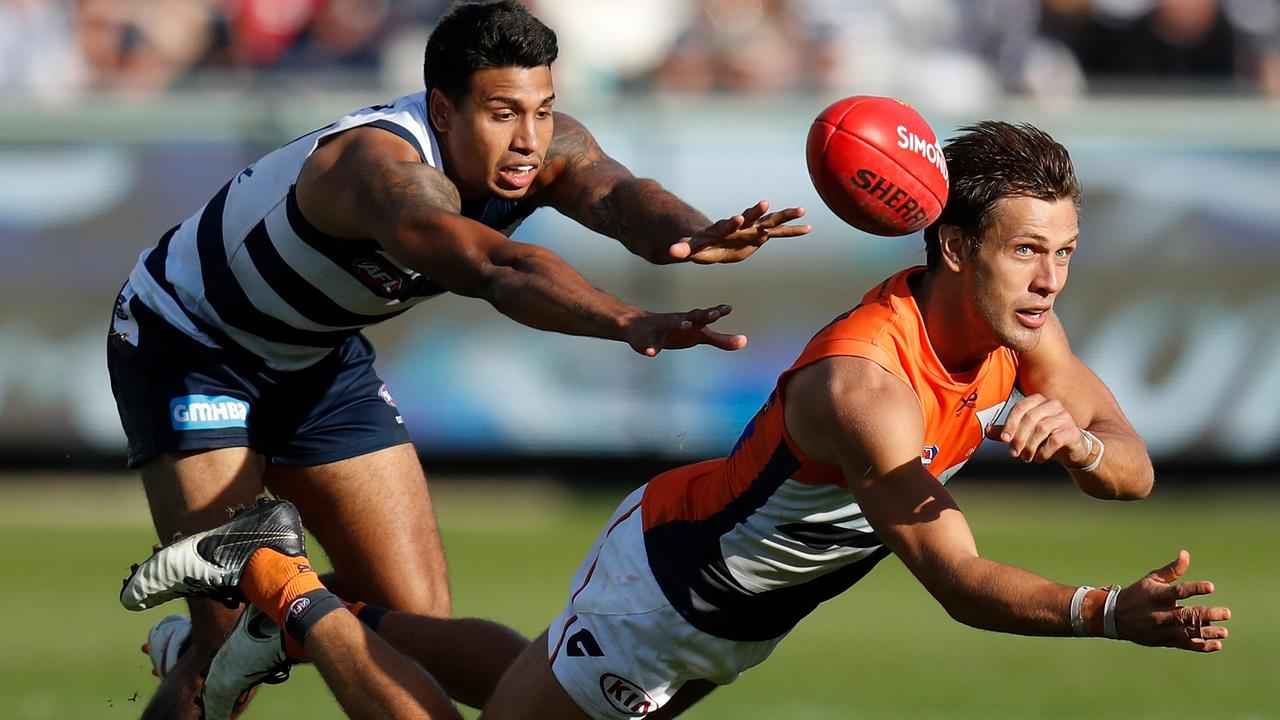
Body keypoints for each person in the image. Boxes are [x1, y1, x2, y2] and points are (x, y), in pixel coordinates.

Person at [120, 120, 1231, 720]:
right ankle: (282, 584)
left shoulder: (1021, 331)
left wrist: (1081, 444)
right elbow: (958, 583)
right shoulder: (862, 386)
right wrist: (1103, 613)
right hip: (671, 596)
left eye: (1064, 254)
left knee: (513, 673)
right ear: (951, 248)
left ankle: (291, 617)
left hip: (723, 615)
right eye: (1027, 252)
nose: (1049, 281)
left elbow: (1126, 464)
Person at [106, 1, 811, 717]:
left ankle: (284, 619)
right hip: (191, 347)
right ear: (442, 110)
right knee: (220, 645)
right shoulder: (376, 169)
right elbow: (499, 270)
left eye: (543, 109)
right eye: (503, 113)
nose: (530, 139)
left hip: (317, 358)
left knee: (415, 625)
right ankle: (258, 622)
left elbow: (621, 196)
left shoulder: (542, 147)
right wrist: (627, 319)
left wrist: (693, 232)